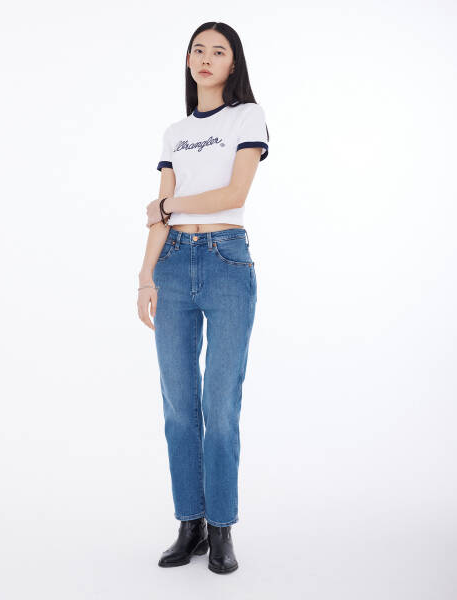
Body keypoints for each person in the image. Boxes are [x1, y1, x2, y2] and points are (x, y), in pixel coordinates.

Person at [137, 21, 269, 574]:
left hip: (225, 261)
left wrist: (169, 207)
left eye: (219, 51)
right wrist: (146, 276)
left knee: (220, 405)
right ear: (188, 60)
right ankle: (189, 524)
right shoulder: (175, 131)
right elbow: (158, 214)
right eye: (198, 49)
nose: (206, 58)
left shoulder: (248, 117)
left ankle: (222, 528)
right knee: (178, 407)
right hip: (172, 265)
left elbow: (234, 193)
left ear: (233, 63)